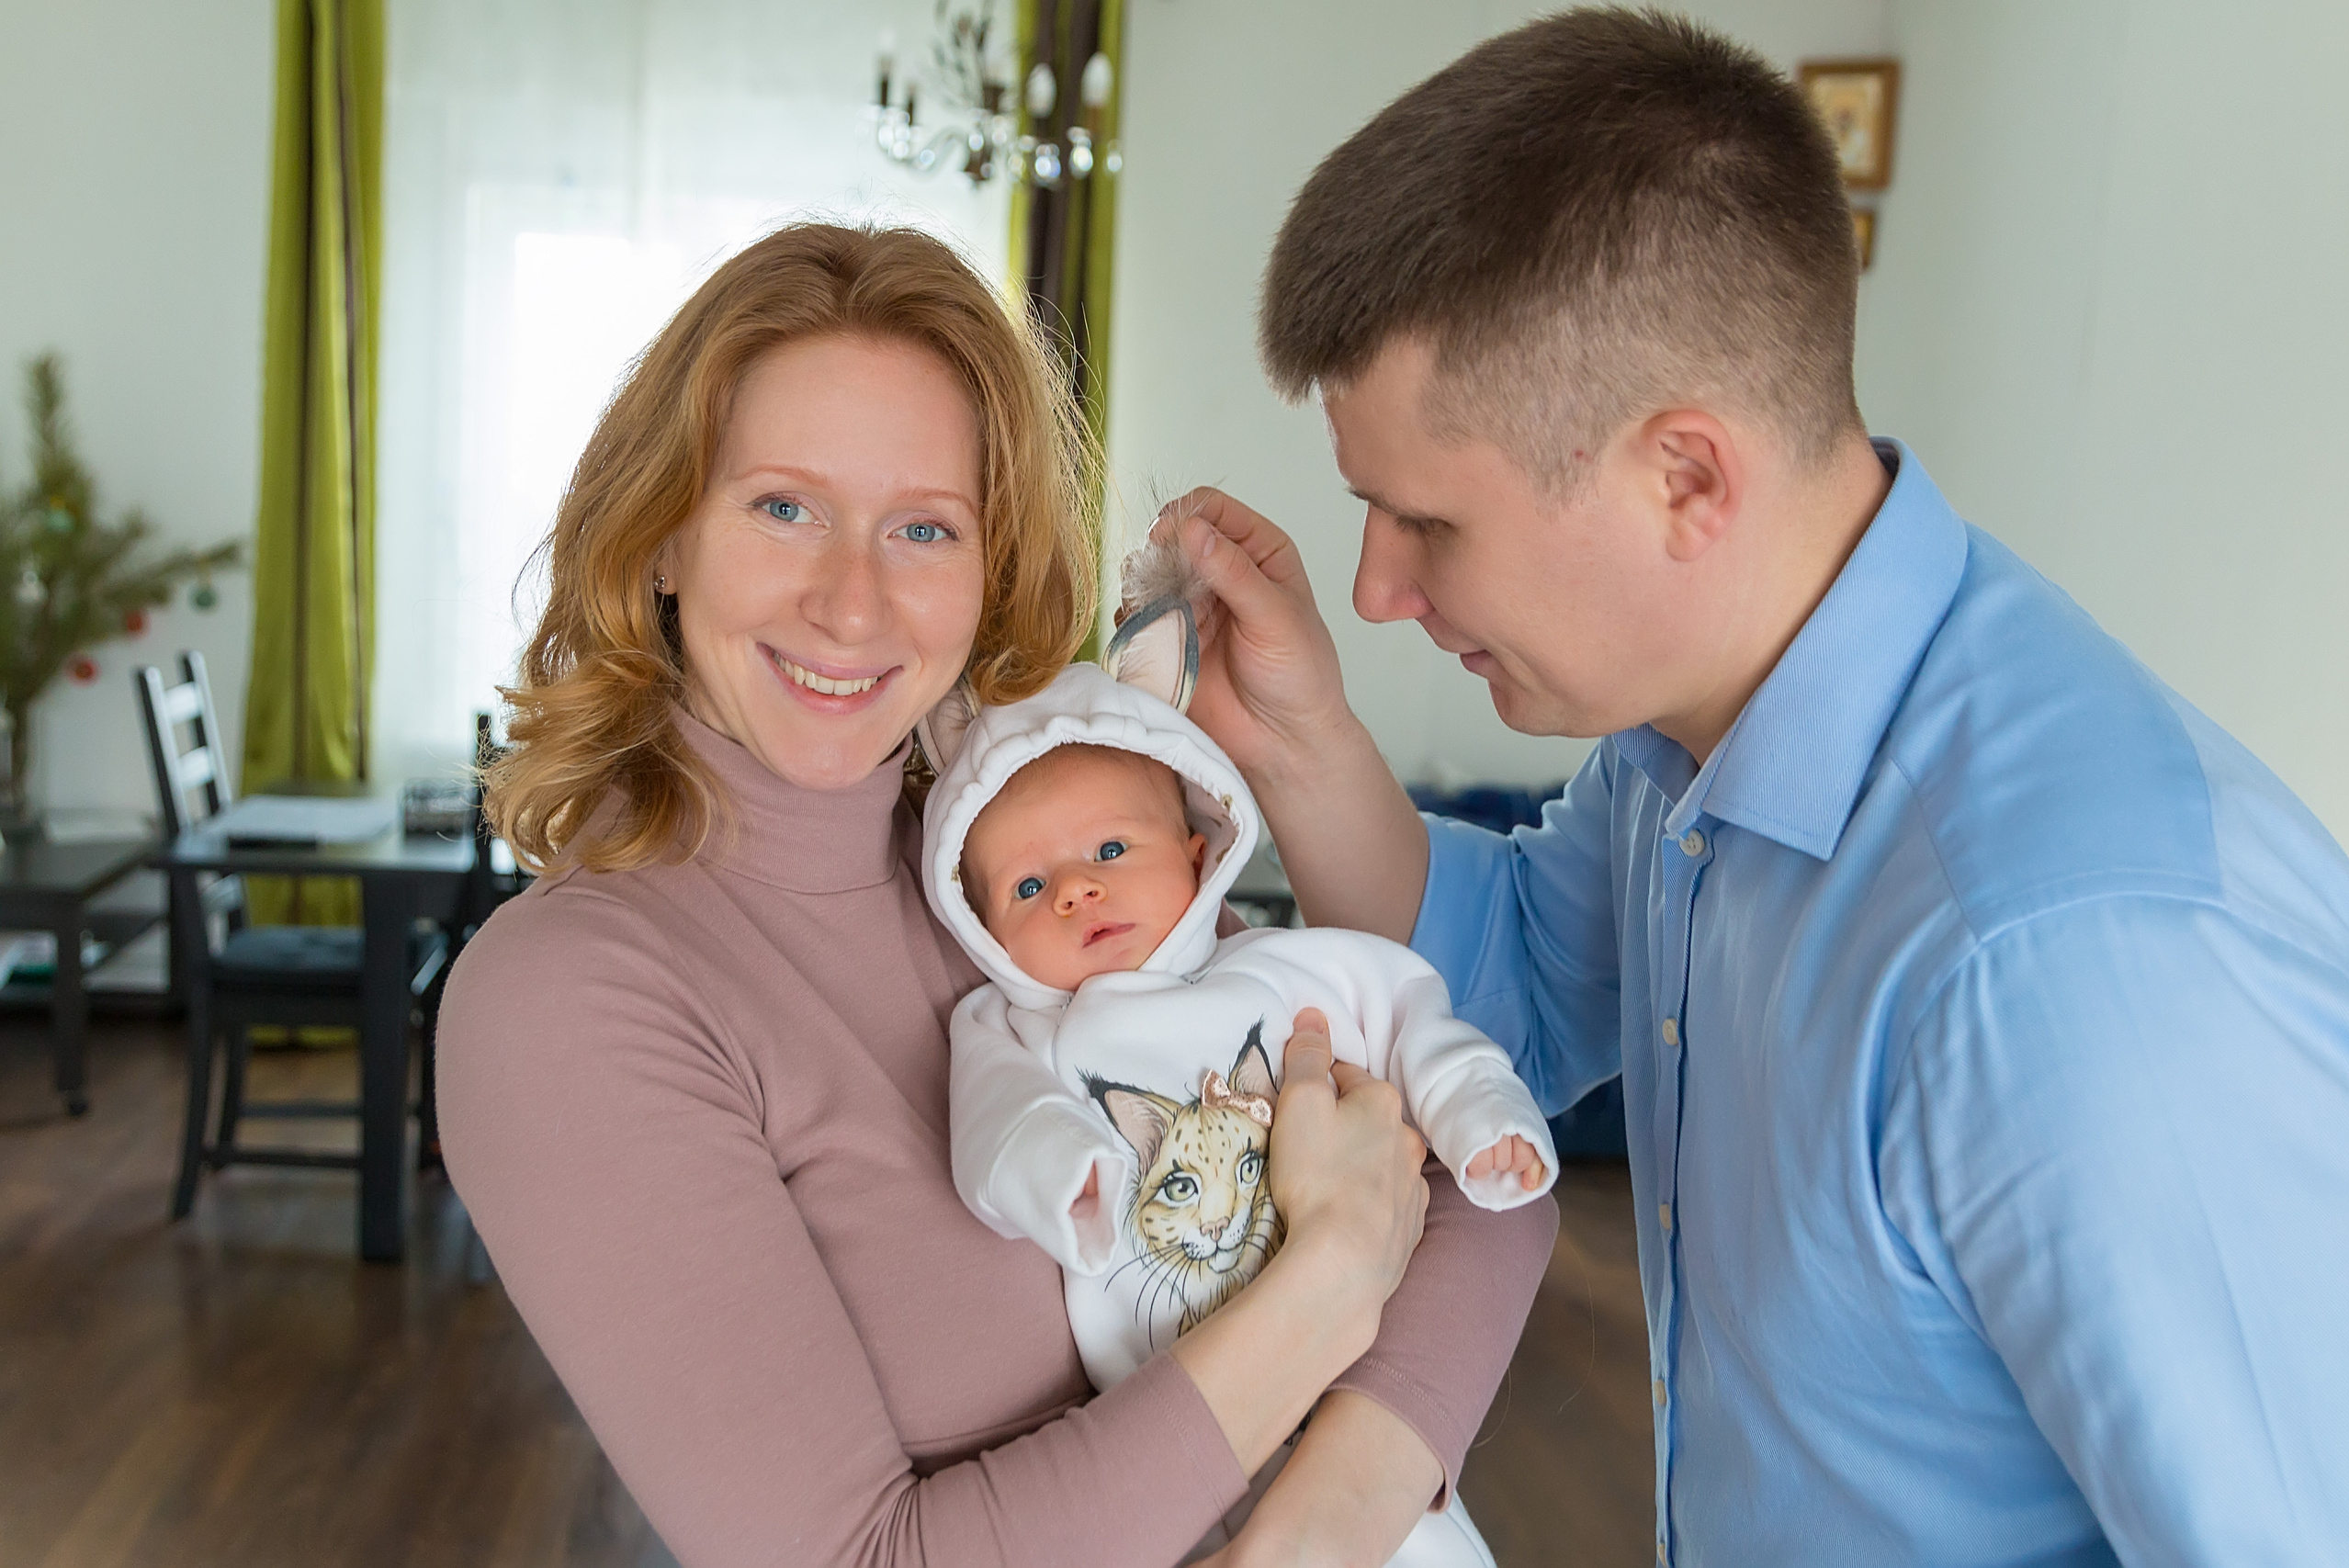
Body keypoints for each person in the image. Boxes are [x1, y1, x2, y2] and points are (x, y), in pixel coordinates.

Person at [1158, 10, 2349, 1567]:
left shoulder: (2069, 967)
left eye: (1429, 523)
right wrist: (1297, 732)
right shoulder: (1692, 732)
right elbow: (1514, 980)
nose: (1377, 589)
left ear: (1687, 478)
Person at [435, 222, 1558, 1568]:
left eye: (924, 527)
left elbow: (1488, 1178)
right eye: (784, 508)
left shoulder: (1013, 856)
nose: (854, 604)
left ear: (988, 573)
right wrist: (1327, 1284)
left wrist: (1320, 1526)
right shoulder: (565, 1002)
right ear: (663, 535)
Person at [926, 660, 1558, 1566]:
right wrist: (1067, 1177)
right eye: (1028, 887)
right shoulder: (1015, 1029)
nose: (1074, 889)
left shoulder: (1283, 969)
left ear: (1198, 855)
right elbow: (996, 1126)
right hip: (1182, 1423)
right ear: (983, 933)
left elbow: (1414, 1017)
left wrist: (1477, 1114)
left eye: (1110, 850)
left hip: (1355, 1397)